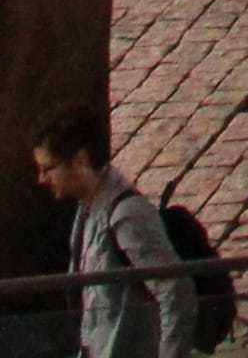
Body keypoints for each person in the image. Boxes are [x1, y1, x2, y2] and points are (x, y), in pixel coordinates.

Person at [30, 111, 199, 358]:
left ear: (80, 159)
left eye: (48, 168)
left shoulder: (126, 215)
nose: (41, 179)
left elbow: (175, 294)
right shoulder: (87, 208)